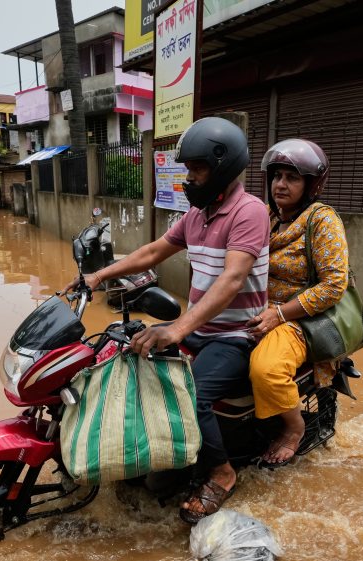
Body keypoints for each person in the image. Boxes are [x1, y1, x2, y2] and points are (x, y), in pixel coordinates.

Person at [62, 117, 270, 523]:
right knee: (128, 360)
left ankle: (222, 473)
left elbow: (231, 280)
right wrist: (99, 276)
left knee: (192, 394)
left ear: (223, 168)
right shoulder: (198, 214)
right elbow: (154, 251)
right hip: (197, 330)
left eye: (197, 170)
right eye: (187, 170)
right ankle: (154, 453)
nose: (189, 179)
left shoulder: (249, 211)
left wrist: (177, 329)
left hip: (234, 336)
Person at [246, 139, 349, 467]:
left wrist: (279, 314)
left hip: (298, 317)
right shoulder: (266, 216)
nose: (281, 184)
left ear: (311, 185)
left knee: (266, 370)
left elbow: (334, 285)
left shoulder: (322, 219)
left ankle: (293, 428)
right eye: (277, 176)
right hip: (256, 309)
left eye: (292, 178)